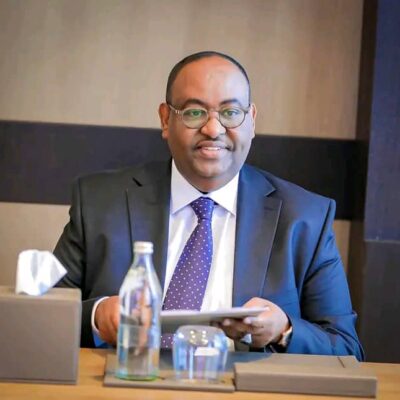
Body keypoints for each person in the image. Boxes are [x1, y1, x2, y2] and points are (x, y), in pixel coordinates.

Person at [54, 51, 364, 360]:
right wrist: (97, 316)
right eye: (194, 112)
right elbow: (43, 316)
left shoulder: (305, 218)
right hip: (125, 381)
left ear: (252, 120)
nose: (213, 129)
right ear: (165, 119)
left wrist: (284, 331)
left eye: (230, 113)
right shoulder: (100, 203)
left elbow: (346, 349)